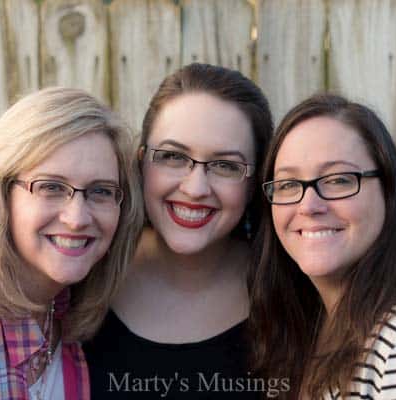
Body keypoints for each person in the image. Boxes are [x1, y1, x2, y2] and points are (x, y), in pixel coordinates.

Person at [84, 63, 274, 399]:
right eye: (173, 156)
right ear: (141, 162)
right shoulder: (80, 276)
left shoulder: (290, 295)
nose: (196, 187)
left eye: (226, 165)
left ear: (254, 182)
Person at [250, 94, 396, 399]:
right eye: (288, 184)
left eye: (338, 180)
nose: (309, 205)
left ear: (388, 190)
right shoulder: (306, 334)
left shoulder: (393, 342)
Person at [0, 87, 143, 399]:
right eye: (51, 186)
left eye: (101, 191)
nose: (76, 218)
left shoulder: (68, 318)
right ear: (5, 194)